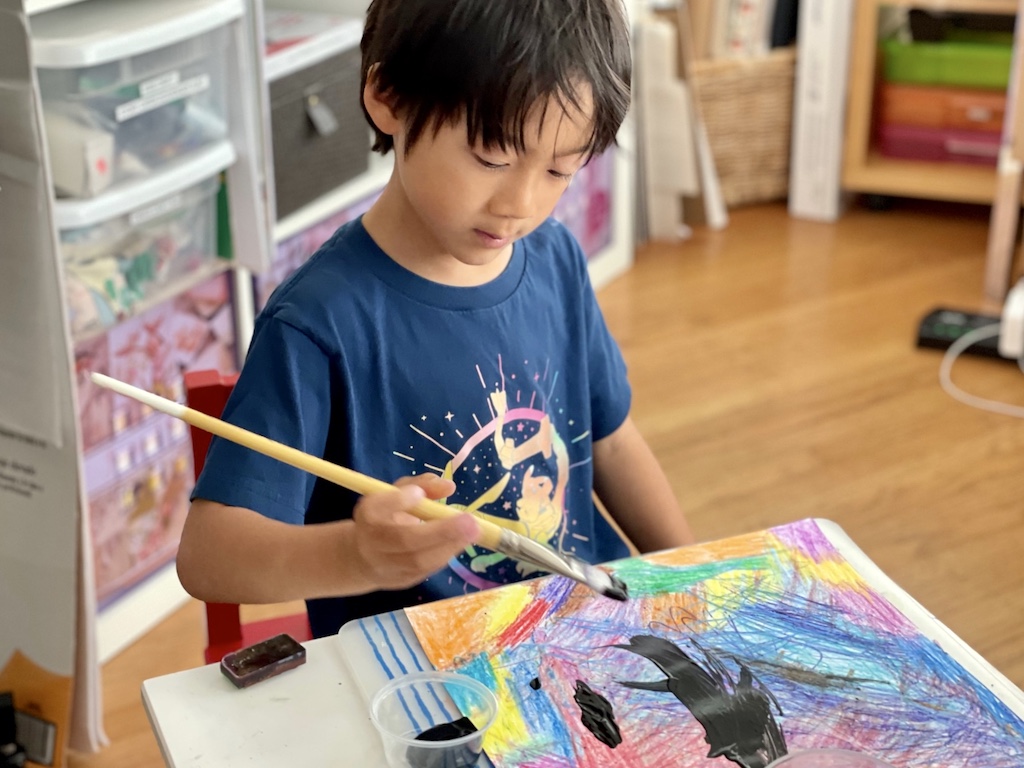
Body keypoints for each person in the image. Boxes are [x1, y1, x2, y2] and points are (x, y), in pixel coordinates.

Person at [177, 0, 694, 638]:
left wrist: (691, 573)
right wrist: (355, 554)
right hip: (428, 683)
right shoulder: (318, 322)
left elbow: (611, 439)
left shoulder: (554, 257)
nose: (521, 204)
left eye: (561, 169)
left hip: (579, 630)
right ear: (389, 95)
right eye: (493, 158)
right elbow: (208, 558)